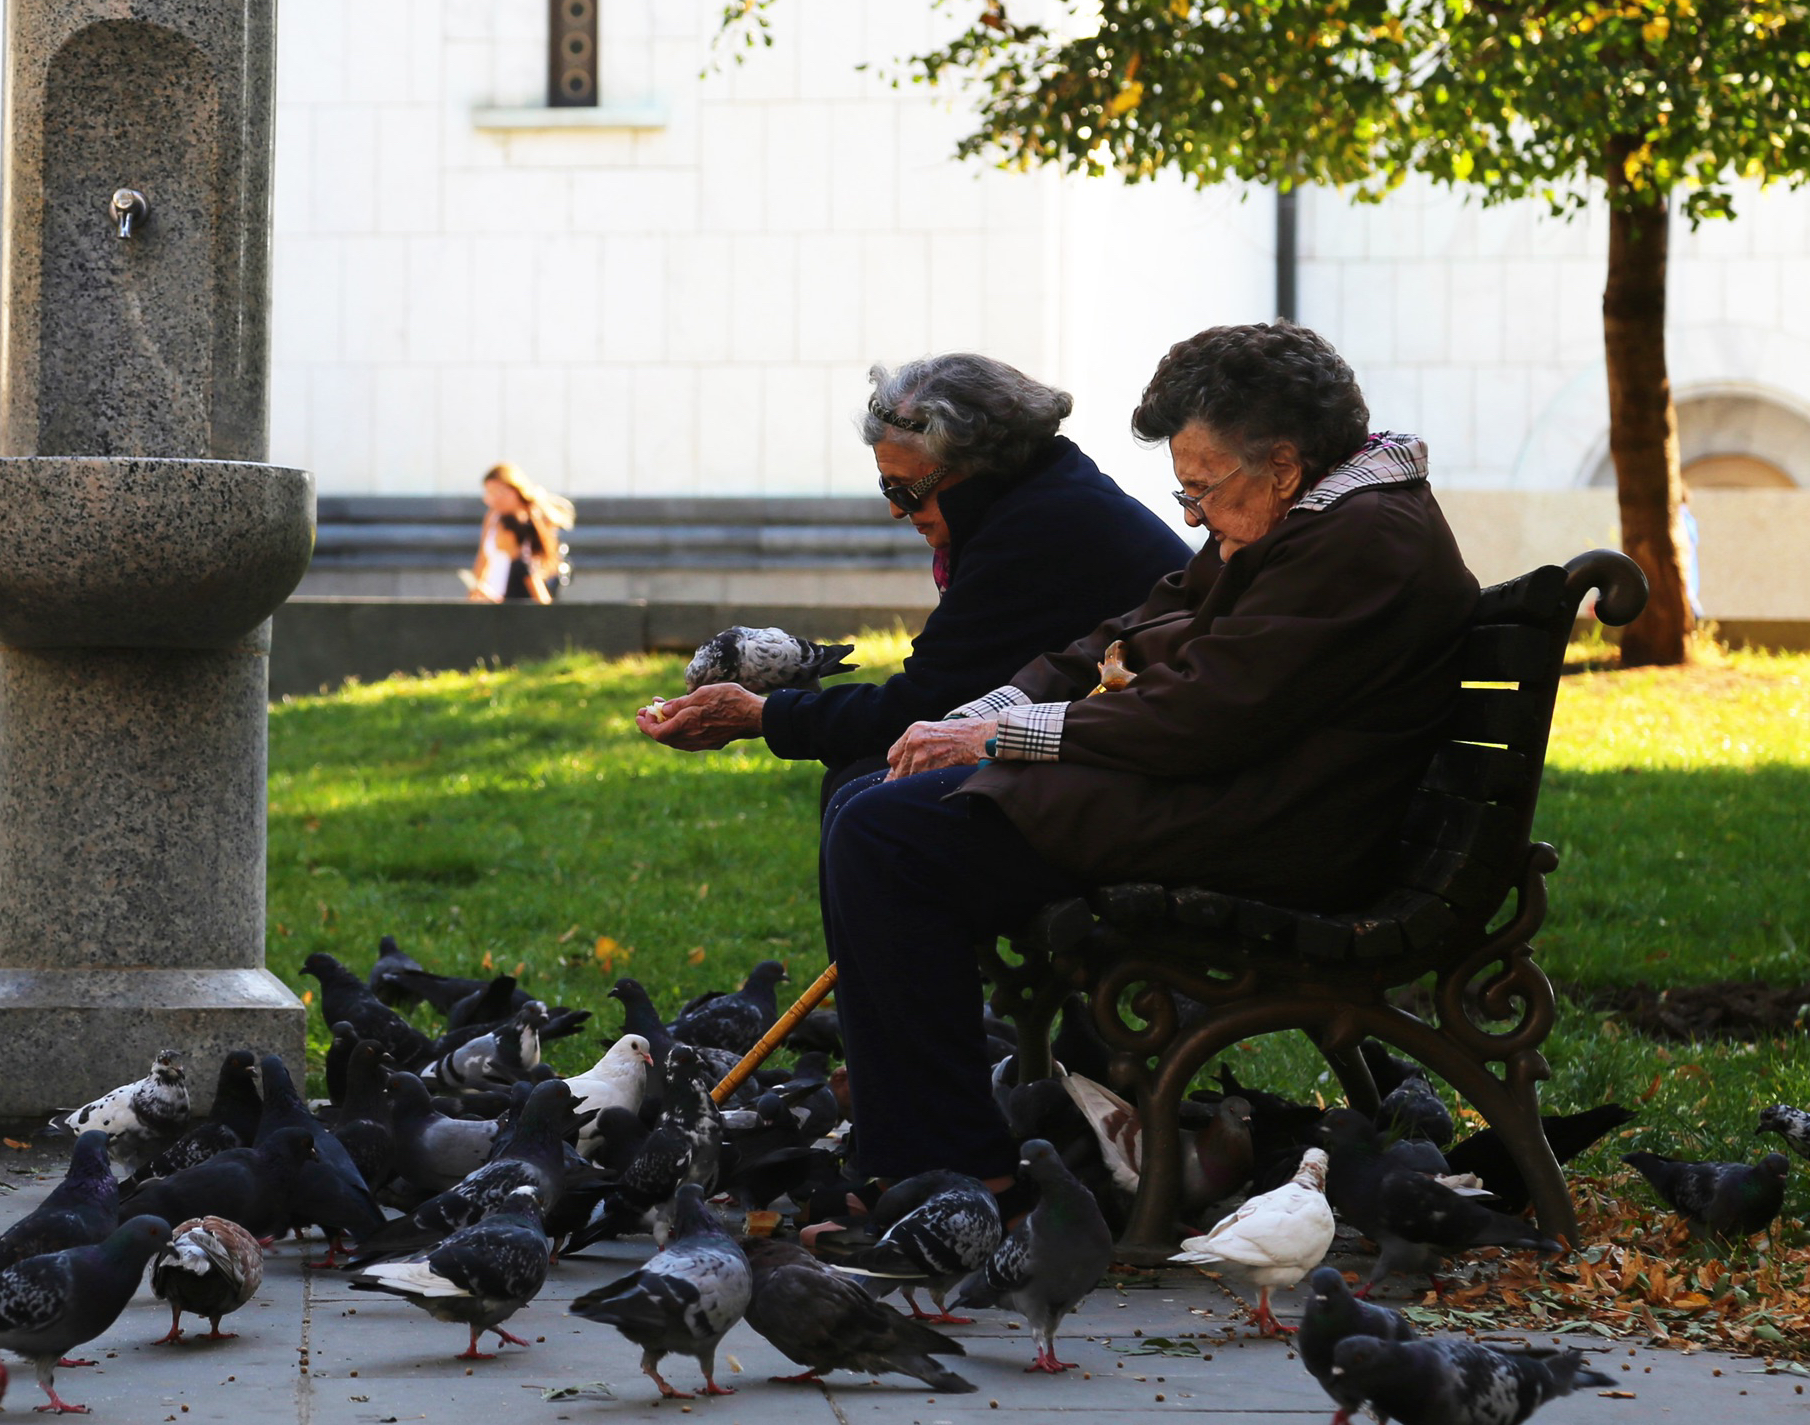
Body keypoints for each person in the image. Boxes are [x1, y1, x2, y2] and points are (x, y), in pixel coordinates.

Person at [819, 323, 1478, 1188]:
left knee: (887, 834)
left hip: (1270, 825)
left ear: (1281, 464)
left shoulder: (1357, 538)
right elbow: (1146, 620)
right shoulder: (1308, 512)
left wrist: (993, 736)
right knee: (873, 798)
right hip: (1232, 791)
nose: (1196, 516)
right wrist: (1001, 703)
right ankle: (923, 1137)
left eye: (1201, 490)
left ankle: (948, 1172)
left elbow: (1201, 715)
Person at [637, 355, 1188, 805]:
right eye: (888, 491)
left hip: (1150, 775)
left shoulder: (1038, 528)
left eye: (907, 490)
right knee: (864, 782)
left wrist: (759, 714)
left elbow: (924, 703)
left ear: (973, 469)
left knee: (873, 802)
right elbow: (944, 694)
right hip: (1105, 741)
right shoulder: (1042, 493)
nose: (899, 512)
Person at [464, 463, 571, 604]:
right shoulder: (492, 517)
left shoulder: (529, 521)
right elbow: (482, 560)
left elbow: (533, 575)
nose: (489, 499)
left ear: (512, 491)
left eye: (495, 492)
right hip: (492, 599)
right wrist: (473, 594)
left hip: (513, 601)